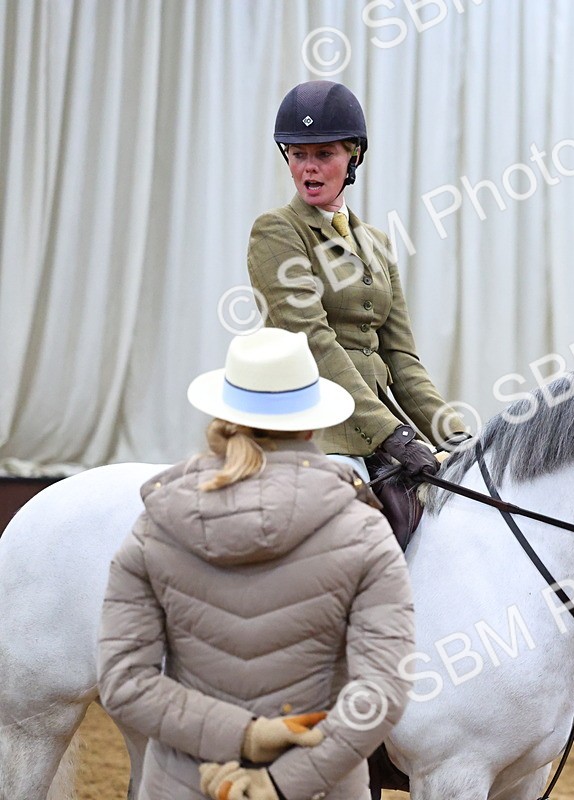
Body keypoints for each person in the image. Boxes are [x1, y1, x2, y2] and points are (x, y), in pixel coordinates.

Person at [97, 328, 413, 800]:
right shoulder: (365, 530)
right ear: (312, 425)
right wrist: (280, 783)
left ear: (225, 416)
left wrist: (245, 735)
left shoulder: (155, 524)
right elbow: (382, 692)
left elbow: (125, 683)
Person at [247, 79, 468, 542]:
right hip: (313, 432)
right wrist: (393, 434)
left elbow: (402, 360)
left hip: (376, 436)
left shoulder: (378, 245)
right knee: (349, 544)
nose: (309, 168)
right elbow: (315, 342)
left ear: (353, 157)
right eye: (298, 154)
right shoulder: (278, 231)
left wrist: (460, 440)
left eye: (324, 154)